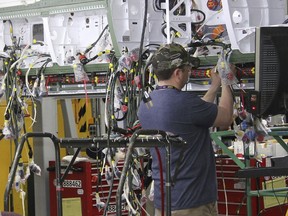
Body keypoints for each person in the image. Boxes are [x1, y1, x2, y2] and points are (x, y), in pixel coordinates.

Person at [137, 43, 234, 216]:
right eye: (188, 69)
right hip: (192, 204)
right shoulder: (186, 103)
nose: (189, 73)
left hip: (164, 203)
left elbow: (195, 113)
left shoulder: (146, 105)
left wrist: (214, 87)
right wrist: (226, 80)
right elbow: (225, 117)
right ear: (178, 73)